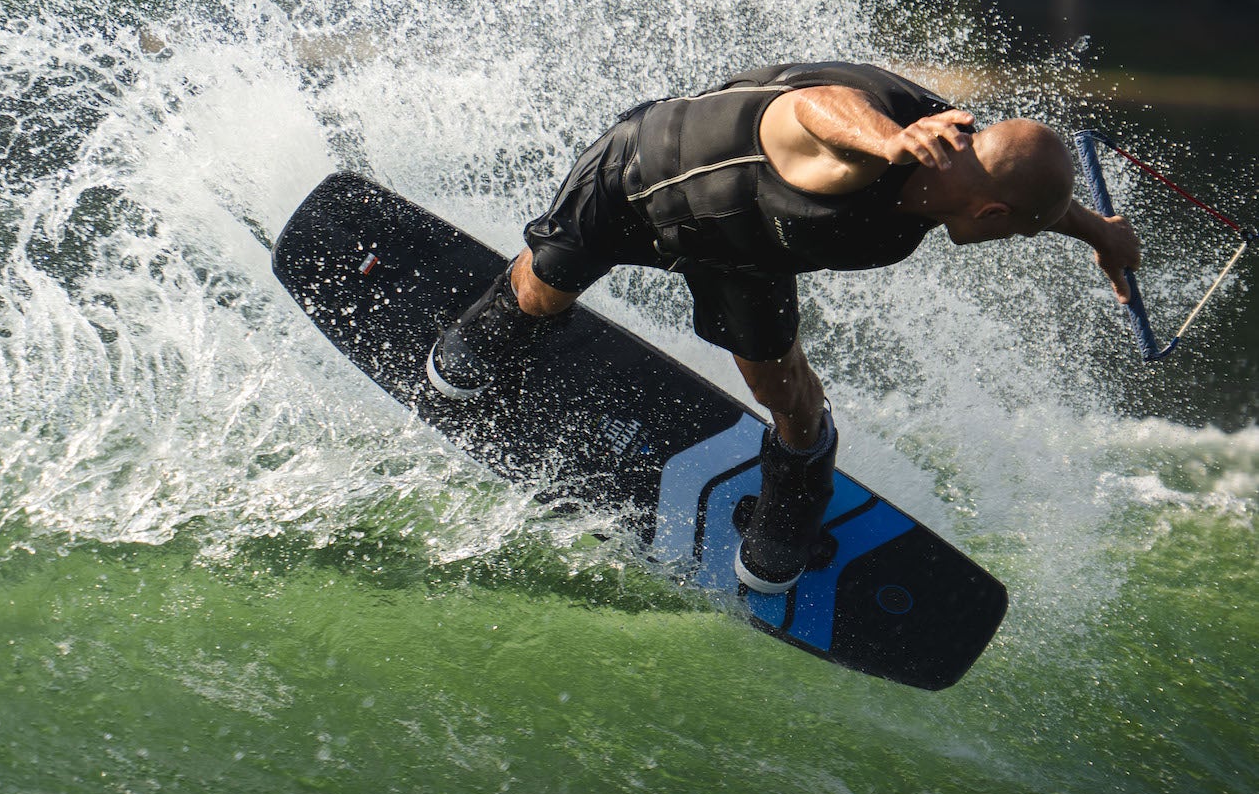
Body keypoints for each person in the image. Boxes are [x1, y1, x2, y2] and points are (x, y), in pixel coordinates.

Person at [425, 62, 1141, 594]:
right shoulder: (872, 147)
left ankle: (794, 496)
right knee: (542, 291)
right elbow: (811, 108)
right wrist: (888, 141)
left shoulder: (972, 170)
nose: (1010, 239)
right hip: (642, 177)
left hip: (745, 251)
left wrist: (1097, 232)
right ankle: (496, 323)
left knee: (787, 393)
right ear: (991, 217)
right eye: (1014, 234)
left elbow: (1019, 188)